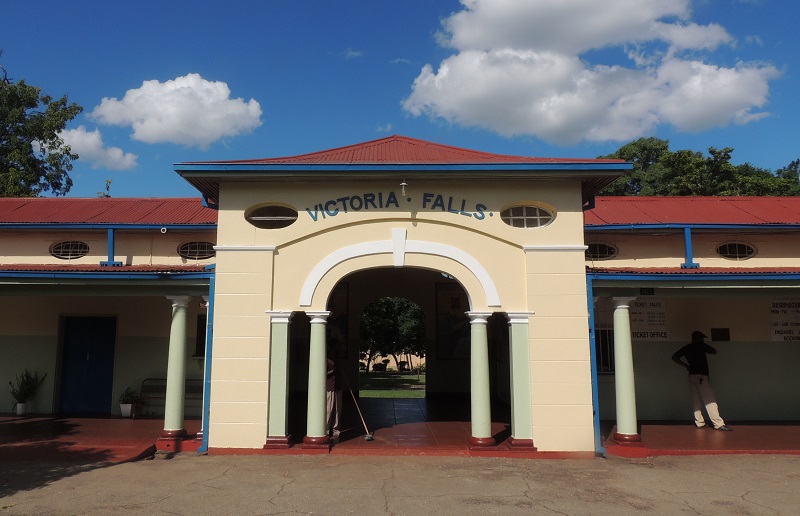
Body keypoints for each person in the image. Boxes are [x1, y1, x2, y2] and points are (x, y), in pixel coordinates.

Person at [671, 330, 732, 431]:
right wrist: (703, 344)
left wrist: (686, 366)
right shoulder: (701, 346)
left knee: (696, 400)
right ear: (699, 338)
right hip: (702, 376)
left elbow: (674, 357)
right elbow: (714, 351)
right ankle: (718, 423)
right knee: (710, 400)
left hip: (691, 375)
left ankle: (699, 422)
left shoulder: (687, 347)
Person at [326, 343, 343, 442]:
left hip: (338, 387)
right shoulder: (326, 360)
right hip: (329, 388)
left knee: (337, 410)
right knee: (328, 410)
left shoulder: (337, 360)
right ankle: (326, 430)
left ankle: (336, 430)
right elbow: (322, 373)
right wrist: (334, 371)